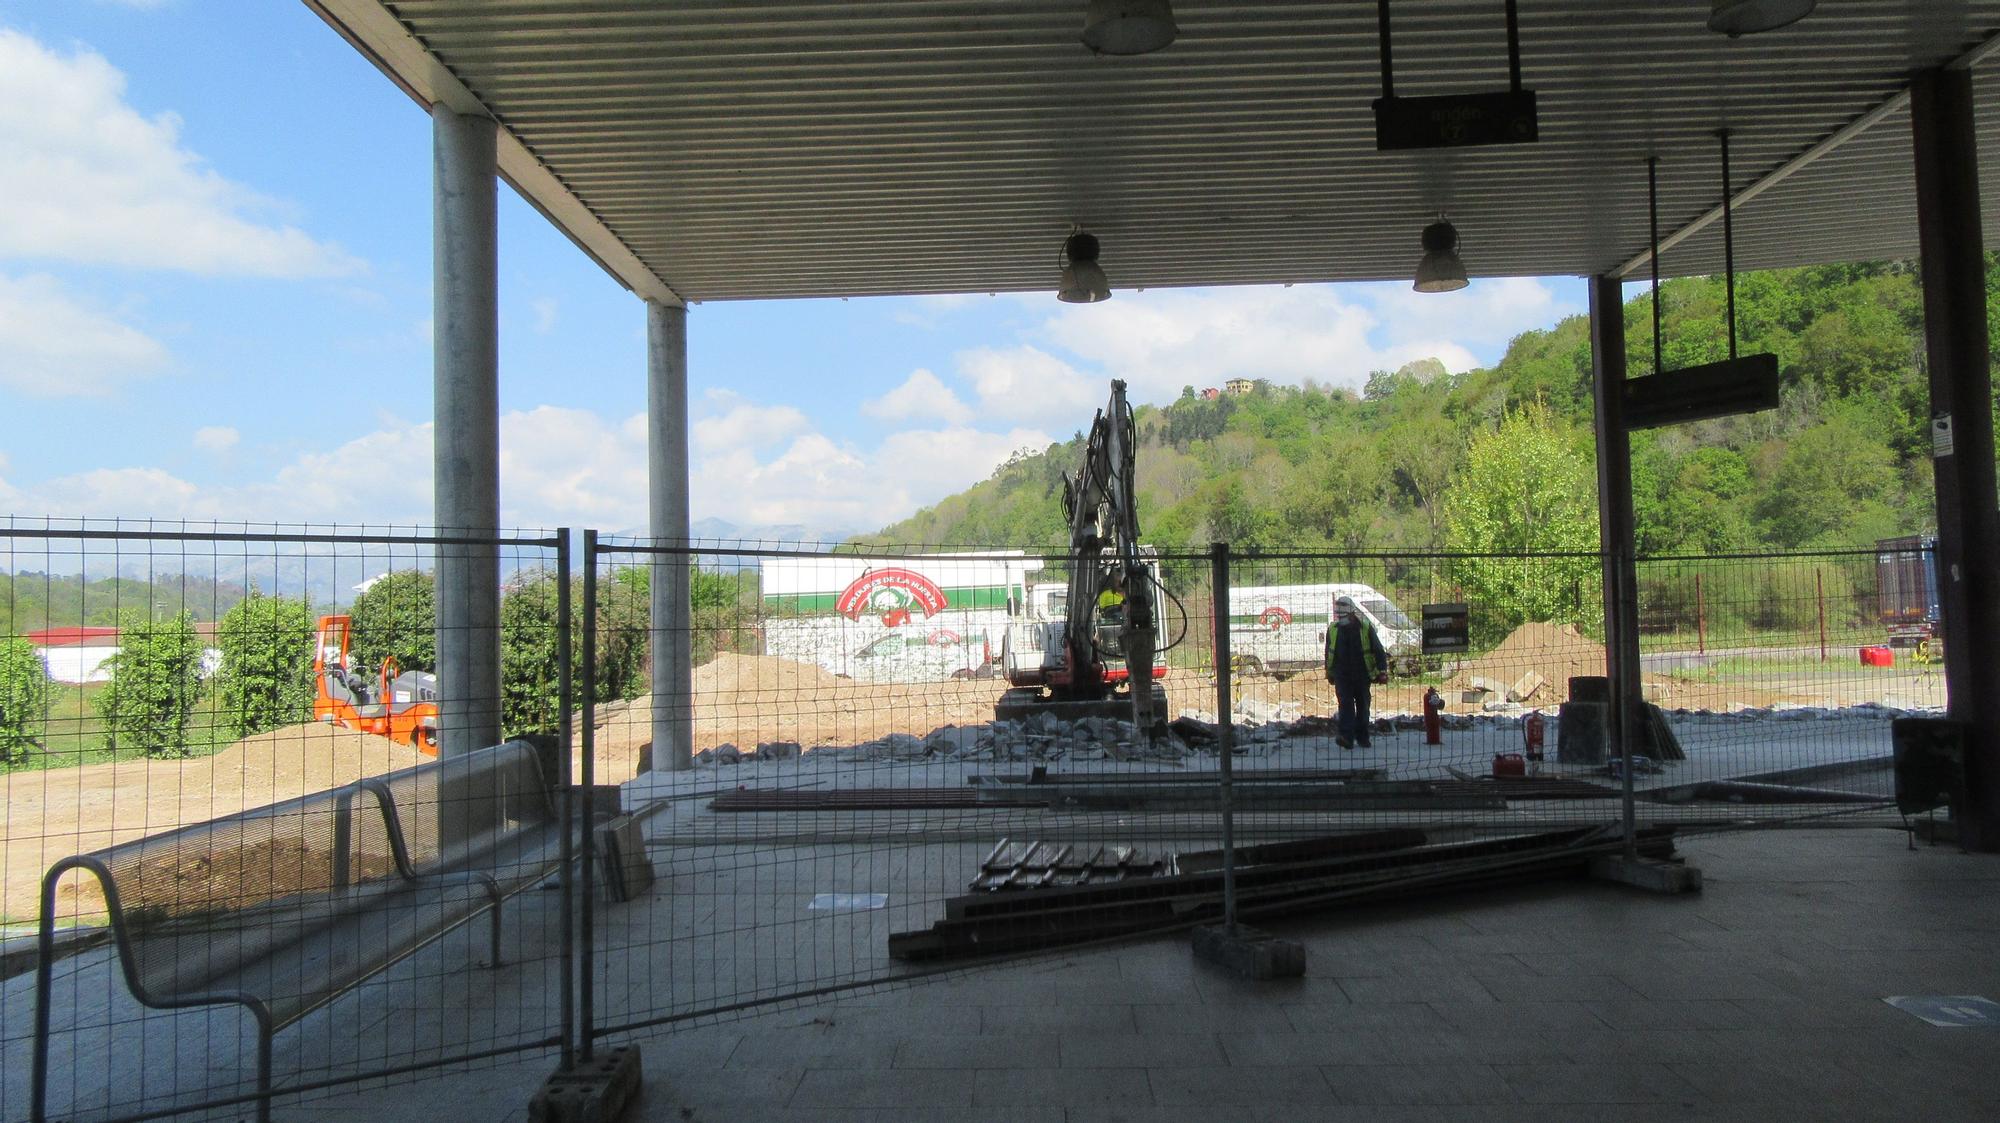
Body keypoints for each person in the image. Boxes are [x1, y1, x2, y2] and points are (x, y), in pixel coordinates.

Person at [1324, 594, 1388, 749]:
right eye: (1339, 616)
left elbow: (1378, 650)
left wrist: (1382, 671)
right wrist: (1330, 673)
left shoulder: (1365, 628)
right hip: (1342, 674)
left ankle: (1362, 737)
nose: (1341, 619)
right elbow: (1328, 653)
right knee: (1345, 705)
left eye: (1344, 616)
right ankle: (1346, 737)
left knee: (1363, 705)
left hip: (1361, 674)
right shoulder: (1333, 629)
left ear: (1352, 613)